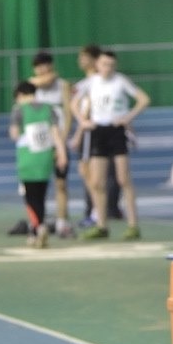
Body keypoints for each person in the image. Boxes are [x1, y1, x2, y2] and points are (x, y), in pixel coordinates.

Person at [71, 48, 150, 241]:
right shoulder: (91, 82)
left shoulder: (120, 81)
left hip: (116, 131)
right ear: (97, 65)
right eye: (104, 64)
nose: (108, 68)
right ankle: (101, 225)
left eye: (111, 65)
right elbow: (74, 103)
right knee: (97, 182)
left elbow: (143, 99)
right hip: (98, 131)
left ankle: (133, 225)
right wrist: (82, 121)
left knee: (123, 179)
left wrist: (128, 117)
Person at [9, 80, 68, 249]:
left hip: (27, 158)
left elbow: (14, 134)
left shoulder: (18, 110)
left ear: (20, 95)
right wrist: (62, 154)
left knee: (29, 197)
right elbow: (56, 134)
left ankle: (38, 227)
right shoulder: (49, 109)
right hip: (45, 157)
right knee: (41, 196)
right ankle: (36, 229)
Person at [71, 43, 123, 225]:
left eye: (84, 57)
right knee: (91, 173)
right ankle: (99, 210)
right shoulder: (90, 82)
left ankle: (97, 212)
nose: (80, 60)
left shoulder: (95, 83)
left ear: (95, 61)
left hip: (92, 132)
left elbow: (88, 110)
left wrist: (79, 133)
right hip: (93, 130)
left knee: (92, 174)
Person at [29, 50, 73, 237]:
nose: (43, 69)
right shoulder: (31, 87)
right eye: (38, 66)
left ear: (51, 65)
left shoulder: (62, 85)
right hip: (38, 142)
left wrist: (62, 139)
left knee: (60, 183)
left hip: (58, 139)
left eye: (46, 65)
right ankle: (38, 222)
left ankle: (62, 222)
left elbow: (68, 114)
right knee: (36, 185)